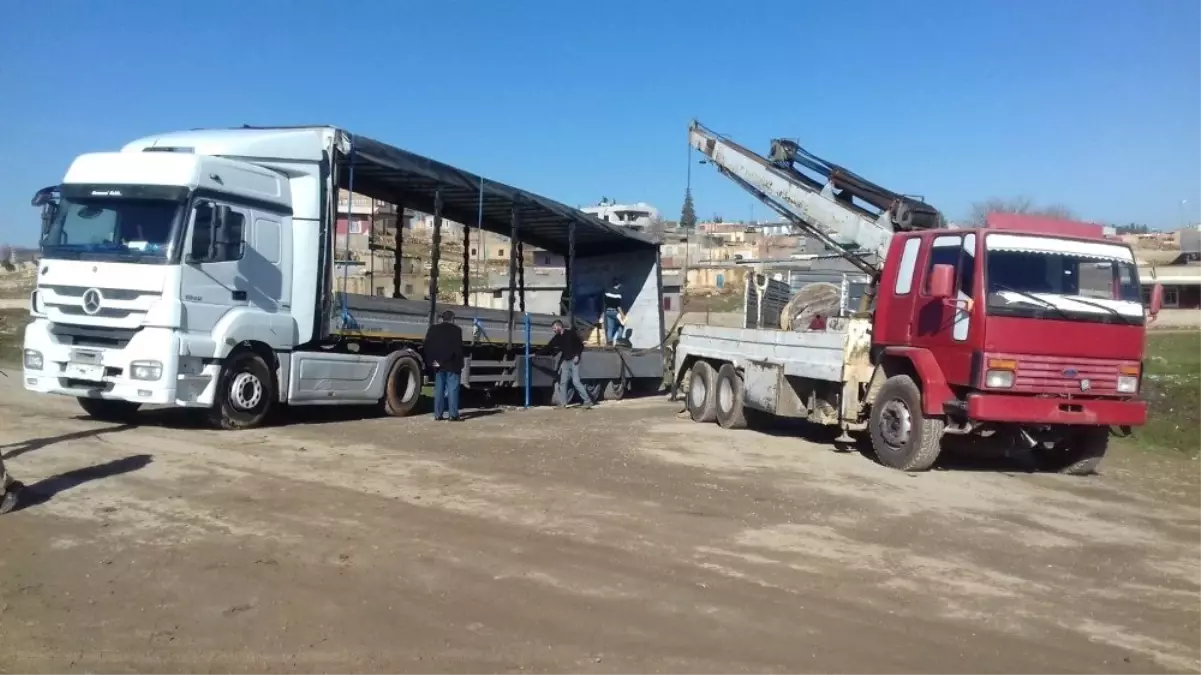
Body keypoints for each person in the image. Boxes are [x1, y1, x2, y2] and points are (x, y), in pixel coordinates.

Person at [423, 310, 465, 421]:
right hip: (452, 364)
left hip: (437, 364)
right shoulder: (457, 330)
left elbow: (427, 346)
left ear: (442, 318)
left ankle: (438, 414)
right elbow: (458, 349)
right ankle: (453, 415)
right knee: (453, 389)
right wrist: (460, 363)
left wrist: (432, 361)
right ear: (452, 319)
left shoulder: (433, 329)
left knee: (439, 389)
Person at [543, 319, 592, 409]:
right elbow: (548, 347)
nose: (553, 330)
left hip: (574, 361)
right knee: (563, 382)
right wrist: (536, 354)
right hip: (565, 361)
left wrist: (577, 356)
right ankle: (563, 404)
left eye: (554, 328)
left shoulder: (571, 334)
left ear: (559, 326)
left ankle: (588, 401)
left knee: (576, 382)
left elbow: (580, 345)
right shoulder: (557, 337)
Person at [603, 280, 623, 346]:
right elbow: (618, 306)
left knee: (610, 328)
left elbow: (605, 303)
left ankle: (609, 342)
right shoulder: (618, 293)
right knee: (621, 324)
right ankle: (619, 340)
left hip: (608, 311)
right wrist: (623, 315)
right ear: (618, 285)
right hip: (615, 311)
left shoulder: (607, 291)